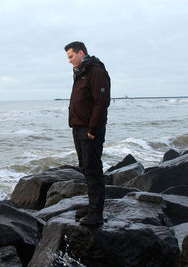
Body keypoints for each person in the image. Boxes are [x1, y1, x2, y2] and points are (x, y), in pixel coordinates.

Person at [64, 41, 110, 226]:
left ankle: (96, 214)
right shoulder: (81, 72)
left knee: (93, 169)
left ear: (81, 52)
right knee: (85, 167)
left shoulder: (96, 71)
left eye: (71, 56)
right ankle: (92, 207)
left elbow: (101, 102)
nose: (69, 61)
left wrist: (92, 129)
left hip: (90, 130)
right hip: (78, 127)